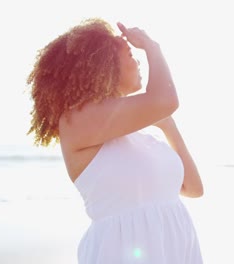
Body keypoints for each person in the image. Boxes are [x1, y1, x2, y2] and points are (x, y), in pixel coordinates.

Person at [27, 17, 204, 263]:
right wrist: (153, 47)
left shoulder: (142, 137)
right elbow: (166, 99)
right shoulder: (76, 123)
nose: (138, 61)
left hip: (174, 249)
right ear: (104, 65)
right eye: (131, 55)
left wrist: (168, 125)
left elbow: (194, 189)